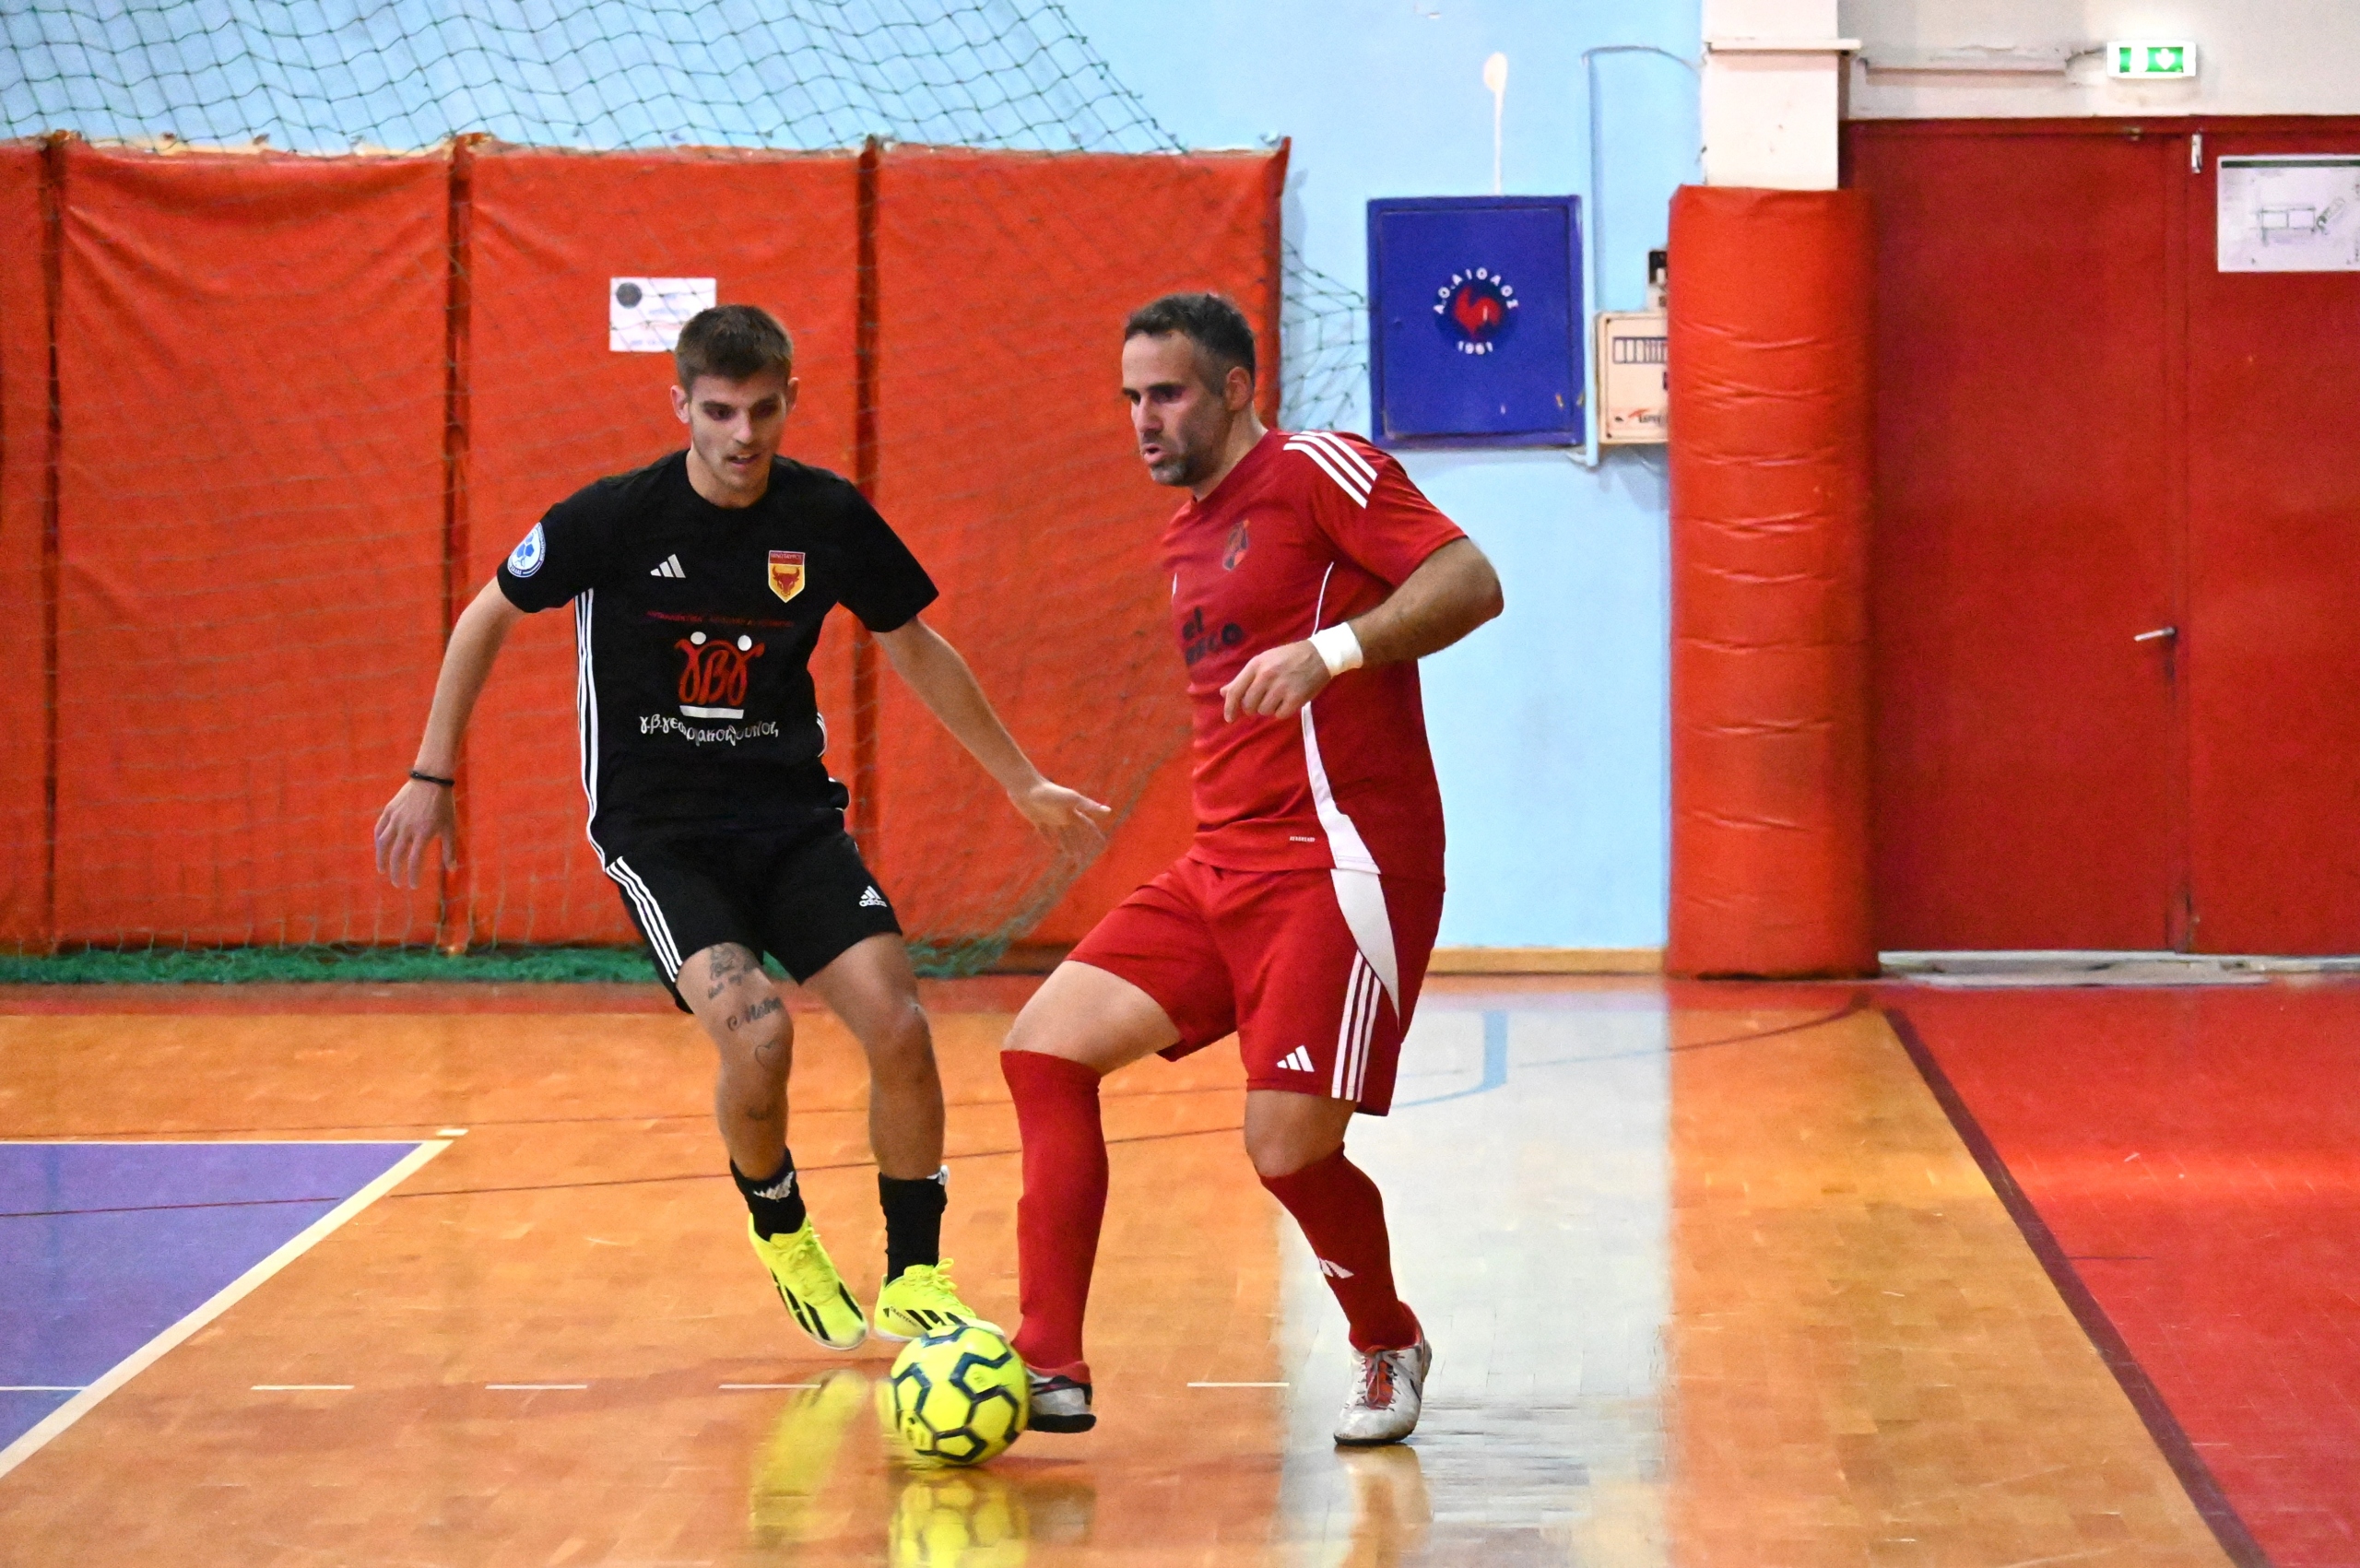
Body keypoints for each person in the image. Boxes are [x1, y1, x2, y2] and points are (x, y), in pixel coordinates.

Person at [374, 303, 1108, 1353]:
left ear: (790, 401)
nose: (743, 435)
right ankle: (783, 1228)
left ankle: (915, 1278)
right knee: (759, 1034)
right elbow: (484, 612)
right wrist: (429, 774)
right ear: (680, 405)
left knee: (899, 1028)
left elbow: (914, 642)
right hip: (659, 831)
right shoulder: (615, 517)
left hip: (790, 819)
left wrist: (1021, 780)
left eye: (763, 410)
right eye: (718, 411)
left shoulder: (826, 516)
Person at [998, 293, 1503, 1444]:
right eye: (1129, 398)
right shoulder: (1182, 534)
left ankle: (1386, 1340)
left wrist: (1330, 653)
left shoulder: (1319, 469)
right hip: (1221, 865)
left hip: (1341, 863)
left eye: (1165, 393)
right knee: (1042, 1048)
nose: (1142, 419)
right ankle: (1047, 1361)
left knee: (1285, 1147)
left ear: (1232, 388)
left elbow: (1471, 581)